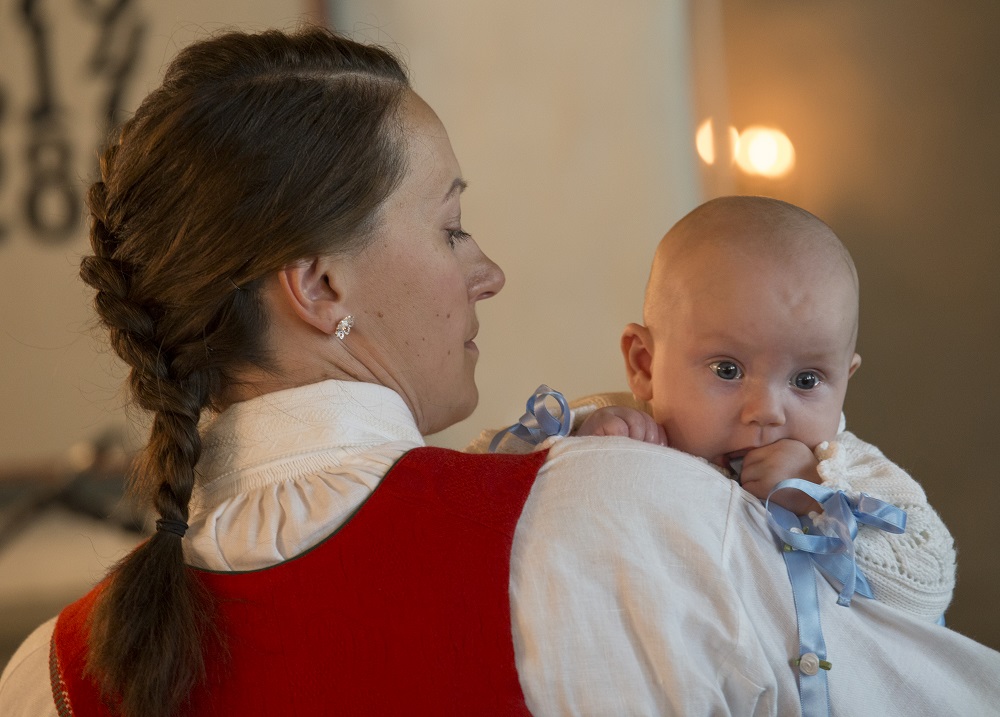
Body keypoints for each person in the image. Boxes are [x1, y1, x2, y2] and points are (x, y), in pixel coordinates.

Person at [0, 26, 998, 717]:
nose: (488, 272)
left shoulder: (46, 678)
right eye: (450, 226)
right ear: (317, 284)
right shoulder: (619, 522)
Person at [572, 196, 956, 621]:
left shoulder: (849, 470)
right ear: (645, 365)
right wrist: (584, 446)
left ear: (845, 381)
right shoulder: (628, 431)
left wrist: (818, 496)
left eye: (806, 380)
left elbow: (930, 586)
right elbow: (519, 485)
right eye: (727, 370)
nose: (767, 411)